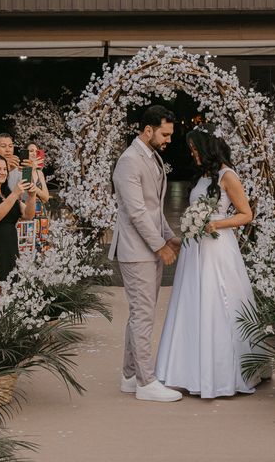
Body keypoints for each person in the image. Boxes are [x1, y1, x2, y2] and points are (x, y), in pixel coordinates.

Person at [156, 125, 262, 399]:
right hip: (194, 250)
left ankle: (221, 373)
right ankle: (187, 370)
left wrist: (216, 224)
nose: (193, 154)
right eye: (190, 150)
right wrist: (186, 234)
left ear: (207, 147)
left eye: (195, 149)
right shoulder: (203, 176)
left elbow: (246, 214)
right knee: (192, 303)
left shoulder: (228, 176)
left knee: (218, 303)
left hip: (217, 249)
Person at [108, 105, 182, 403]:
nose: (168, 140)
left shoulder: (152, 158)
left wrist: (169, 236)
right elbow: (137, 212)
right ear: (147, 130)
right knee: (144, 315)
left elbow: (154, 208)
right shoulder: (129, 161)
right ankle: (146, 381)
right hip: (136, 251)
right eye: (165, 134)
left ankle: (129, 376)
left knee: (140, 314)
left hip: (148, 247)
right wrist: (159, 246)